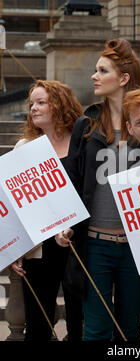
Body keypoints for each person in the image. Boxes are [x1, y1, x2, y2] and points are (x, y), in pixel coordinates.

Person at [55, 38, 140, 342]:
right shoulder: (86, 124)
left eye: (102, 70)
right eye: (96, 70)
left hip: (137, 248)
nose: (94, 76)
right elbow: (71, 179)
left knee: (130, 332)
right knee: (95, 331)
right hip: (95, 245)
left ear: (123, 79)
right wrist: (64, 223)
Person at [11, 80, 84, 341]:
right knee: (38, 323)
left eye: (41, 102)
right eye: (32, 103)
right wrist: (16, 249)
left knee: (80, 322)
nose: (34, 108)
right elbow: (15, 206)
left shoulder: (82, 144)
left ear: (60, 104)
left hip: (76, 242)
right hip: (40, 246)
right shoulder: (24, 148)